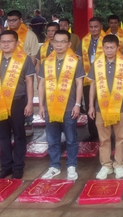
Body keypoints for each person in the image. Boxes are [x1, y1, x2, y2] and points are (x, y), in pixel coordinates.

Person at [0, 30, 35, 179]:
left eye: (9, 41)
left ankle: (18, 167)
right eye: (3, 41)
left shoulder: (24, 59)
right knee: (2, 136)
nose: (5, 44)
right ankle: (6, 166)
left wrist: (30, 103)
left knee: (19, 135)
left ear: (17, 43)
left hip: (17, 102)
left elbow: (30, 82)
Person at [38, 30, 85, 180]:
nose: (59, 45)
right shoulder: (47, 62)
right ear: (52, 43)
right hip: (50, 108)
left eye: (63, 42)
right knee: (52, 139)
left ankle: (71, 166)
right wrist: (41, 106)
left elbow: (79, 84)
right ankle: (54, 166)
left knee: (71, 139)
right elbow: (41, 84)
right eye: (56, 41)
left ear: (69, 44)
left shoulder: (75, 61)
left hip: (69, 107)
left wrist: (77, 104)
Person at [88, 35, 123, 180]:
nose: (109, 50)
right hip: (100, 108)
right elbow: (93, 85)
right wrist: (90, 106)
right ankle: (106, 165)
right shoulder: (97, 64)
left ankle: (119, 164)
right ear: (102, 48)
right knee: (104, 139)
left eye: (112, 47)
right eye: (106, 47)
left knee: (120, 137)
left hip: (120, 107)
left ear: (117, 48)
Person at [0, 10, 40, 137]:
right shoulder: (4, 36)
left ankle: (28, 122)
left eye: (14, 20)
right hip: (5, 74)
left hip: (23, 73)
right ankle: (8, 122)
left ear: (21, 20)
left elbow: (33, 55)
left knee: (25, 98)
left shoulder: (30, 35)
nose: (11, 22)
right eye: (9, 20)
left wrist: (28, 72)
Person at [77, 17, 106, 142]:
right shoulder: (84, 40)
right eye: (91, 27)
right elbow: (79, 58)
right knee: (90, 105)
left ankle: (106, 132)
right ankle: (93, 132)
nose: (93, 29)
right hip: (88, 79)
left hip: (104, 79)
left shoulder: (107, 39)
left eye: (96, 26)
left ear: (101, 27)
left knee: (104, 105)